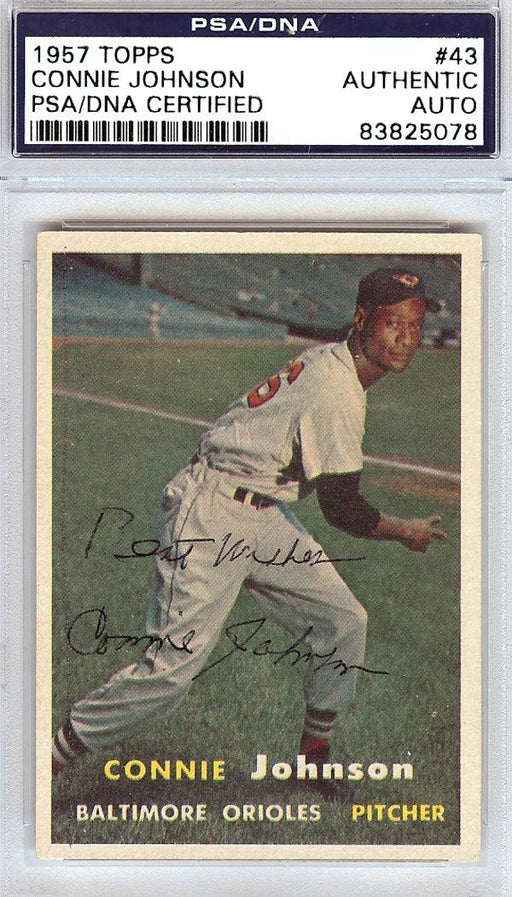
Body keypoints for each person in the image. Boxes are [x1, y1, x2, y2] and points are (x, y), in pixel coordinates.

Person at [52, 267, 446, 797]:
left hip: (259, 511)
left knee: (343, 620)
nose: (407, 337)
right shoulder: (336, 389)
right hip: (212, 512)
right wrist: (405, 530)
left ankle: (313, 760)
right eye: (393, 322)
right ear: (360, 320)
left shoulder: (332, 359)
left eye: (416, 325)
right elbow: (342, 510)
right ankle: (43, 761)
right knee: (169, 674)